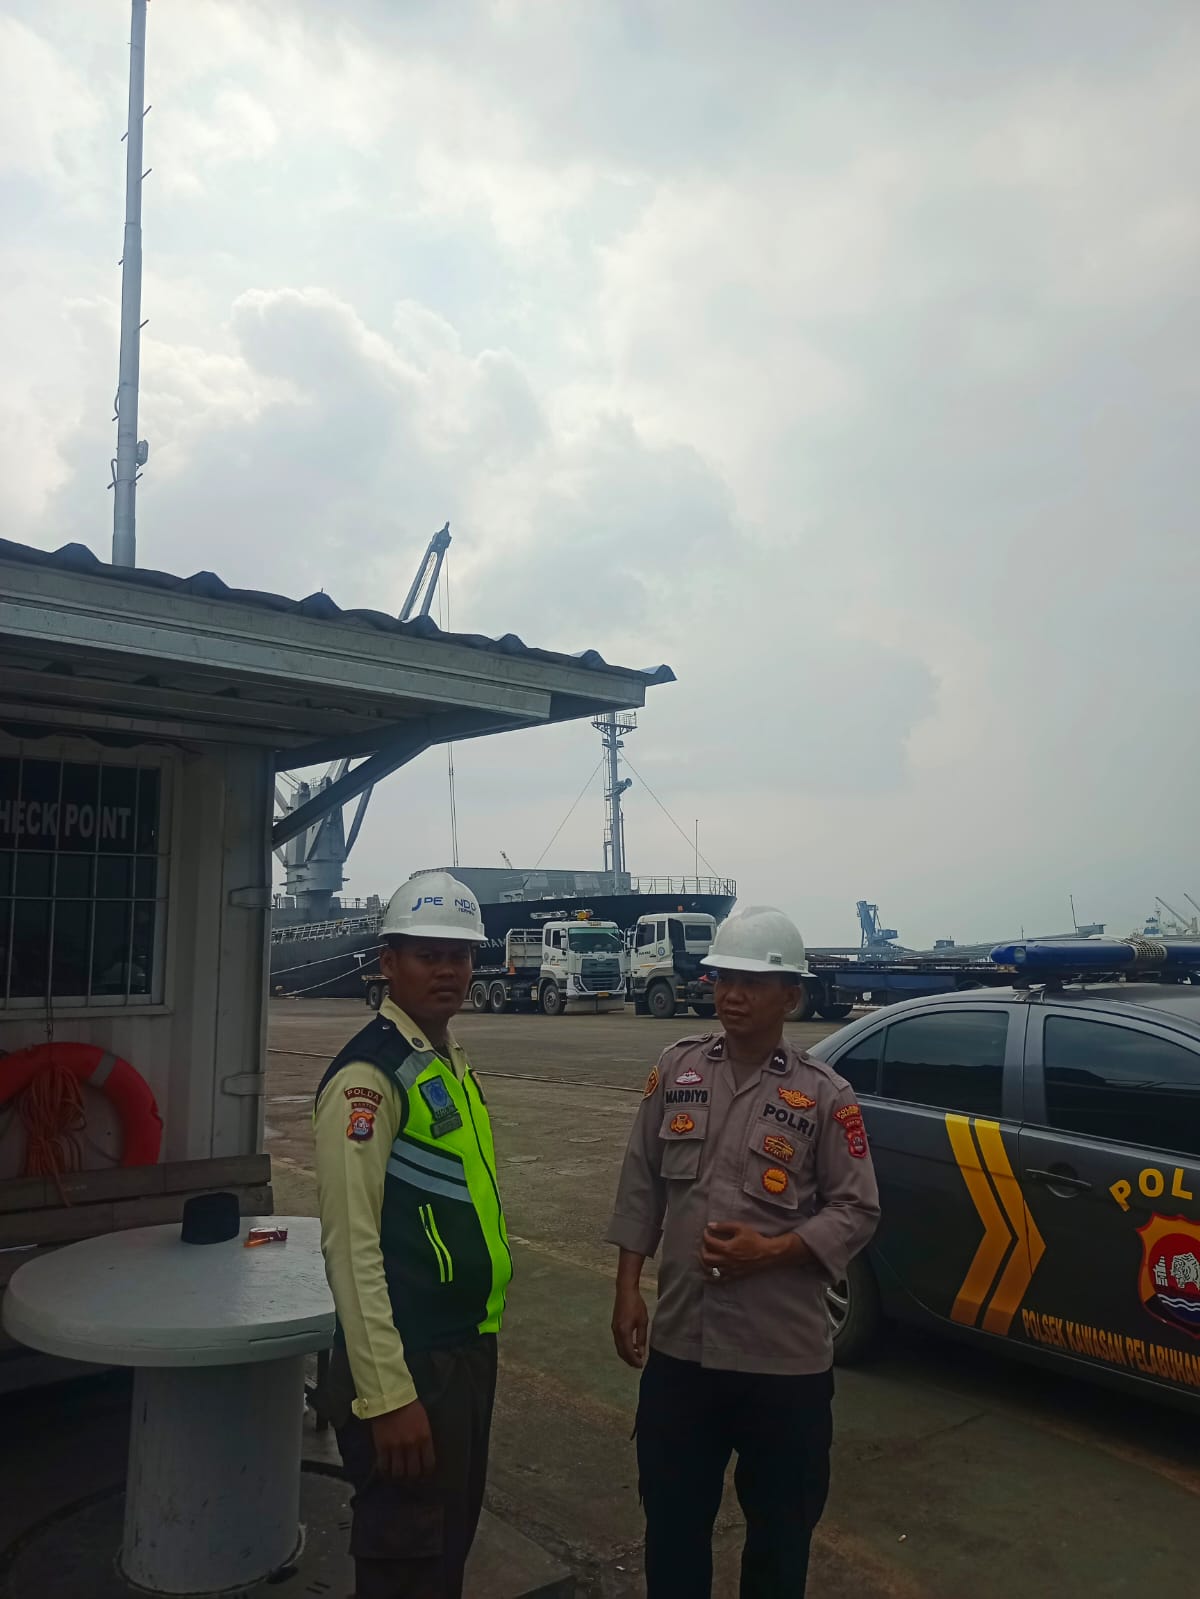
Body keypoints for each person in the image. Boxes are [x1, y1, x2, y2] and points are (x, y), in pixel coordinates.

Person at [606, 905, 880, 1599]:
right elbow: (641, 1181)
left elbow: (857, 1209)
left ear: (790, 995)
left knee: (780, 1544)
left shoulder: (825, 1096)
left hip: (781, 1364)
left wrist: (775, 1249)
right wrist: (627, 1286)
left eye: (753, 982)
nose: (732, 994)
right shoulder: (677, 1069)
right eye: (725, 978)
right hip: (682, 1352)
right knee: (672, 1529)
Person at [314, 871, 512, 1599]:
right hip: (411, 1365)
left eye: (459, 954)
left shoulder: (442, 1060)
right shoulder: (369, 1078)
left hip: (462, 1352)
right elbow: (351, 1247)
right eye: (428, 954)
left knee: (444, 1551)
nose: (448, 970)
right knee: (408, 1562)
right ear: (388, 961)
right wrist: (387, 1397)